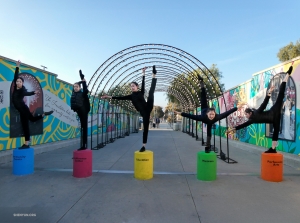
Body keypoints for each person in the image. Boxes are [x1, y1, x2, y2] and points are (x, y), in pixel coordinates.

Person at [227, 66, 293, 153]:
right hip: (274, 118)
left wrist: (269, 93)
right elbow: (242, 125)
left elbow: (264, 103)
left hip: (274, 111)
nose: (245, 116)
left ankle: (287, 74)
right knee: (276, 132)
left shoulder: (256, 113)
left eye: (246, 114)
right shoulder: (251, 120)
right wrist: (233, 129)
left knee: (281, 93)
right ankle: (273, 149)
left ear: (250, 113)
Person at [175, 74, 245, 153]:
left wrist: (236, 108)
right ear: (207, 114)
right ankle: (201, 82)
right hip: (204, 108)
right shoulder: (202, 117)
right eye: (210, 114)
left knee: (209, 134)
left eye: (213, 114)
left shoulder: (217, 117)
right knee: (203, 96)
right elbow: (190, 116)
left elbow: (226, 113)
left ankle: (207, 146)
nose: (212, 116)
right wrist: (180, 113)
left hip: (209, 122)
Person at [101, 66, 157, 152]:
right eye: (131, 86)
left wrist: (143, 73)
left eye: (133, 86)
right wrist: (107, 96)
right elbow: (118, 97)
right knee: (145, 128)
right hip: (144, 112)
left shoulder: (140, 92)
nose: (132, 87)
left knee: (151, 92)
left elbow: (143, 83)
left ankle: (154, 74)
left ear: (137, 86)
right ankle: (143, 145)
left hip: (148, 106)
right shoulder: (130, 96)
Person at [12, 60, 53, 149]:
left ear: (22, 83)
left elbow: (27, 93)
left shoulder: (23, 90)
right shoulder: (16, 88)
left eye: (19, 81)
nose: (18, 82)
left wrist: (33, 92)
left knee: (25, 125)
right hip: (22, 109)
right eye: (17, 81)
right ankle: (44, 114)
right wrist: (17, 66)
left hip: (23, 109)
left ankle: (26, 144)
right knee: (33, 119)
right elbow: (15, 76)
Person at [70, 70, 90, 150]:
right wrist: (80, 81)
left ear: (79, 87)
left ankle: (84, 144)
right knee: (82, 127)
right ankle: (83, 144)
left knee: (84, 127)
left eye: (76, 87)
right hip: (79, 111)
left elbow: (85, 89)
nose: (75, 88)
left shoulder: (82, 93)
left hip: (83, 111)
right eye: (74, 87)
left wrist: (82, 80)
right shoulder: (74, 93)